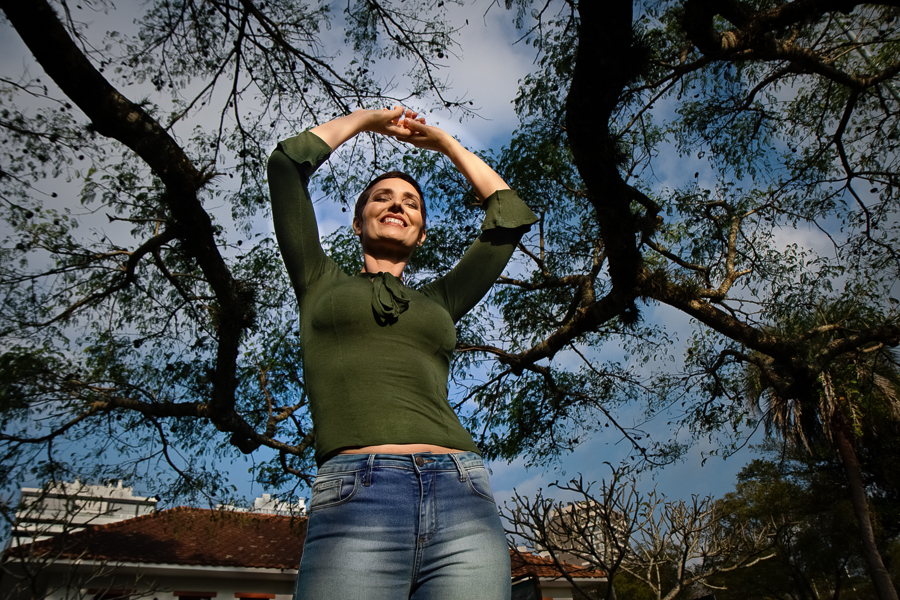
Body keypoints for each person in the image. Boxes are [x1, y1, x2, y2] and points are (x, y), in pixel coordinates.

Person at [268, 106, 537, 600]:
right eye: (383, 197)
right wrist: (366, 121)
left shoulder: (442, 300)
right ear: (357, 221)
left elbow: (510, 214)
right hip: (357, 495)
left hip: (463, 495)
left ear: (422, 231)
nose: (398, 205)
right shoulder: (318, 281)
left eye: (411, 203)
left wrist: (446, 145)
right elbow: (286, 165)